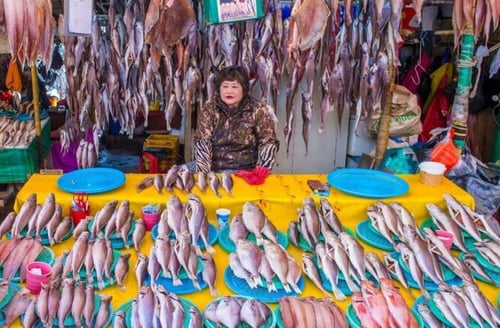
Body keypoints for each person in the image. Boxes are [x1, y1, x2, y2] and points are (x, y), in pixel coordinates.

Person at [193, 66, 279, 173]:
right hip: (212, 167)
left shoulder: (257, 109)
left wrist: (263, 167)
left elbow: (268, 141)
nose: (229, 91)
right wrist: (203, 174)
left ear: (244, 89)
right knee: (176, 174)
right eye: (225, 86)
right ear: (219, 88)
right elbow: (202, 140)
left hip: (245, 169)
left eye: (234, 87)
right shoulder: (210, 108)